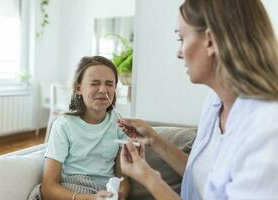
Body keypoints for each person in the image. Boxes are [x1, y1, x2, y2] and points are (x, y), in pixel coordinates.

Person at [117, 0, 278, 199]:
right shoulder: (214, 103)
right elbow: (202, 177)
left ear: (210, 40)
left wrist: (150, 178)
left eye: (181, 39)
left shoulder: (266, 129)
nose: (179, 53)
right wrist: (154, 139)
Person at [40, 56, 130, 200]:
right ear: (79, 88)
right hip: (71, 192)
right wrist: (91, 198)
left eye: (109, 83)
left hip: (104, 192)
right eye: (94, 83)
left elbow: (123, 180)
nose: (103, 90)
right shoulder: (64, 125)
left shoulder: (120, 125)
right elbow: (48, 187)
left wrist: (119, 196)